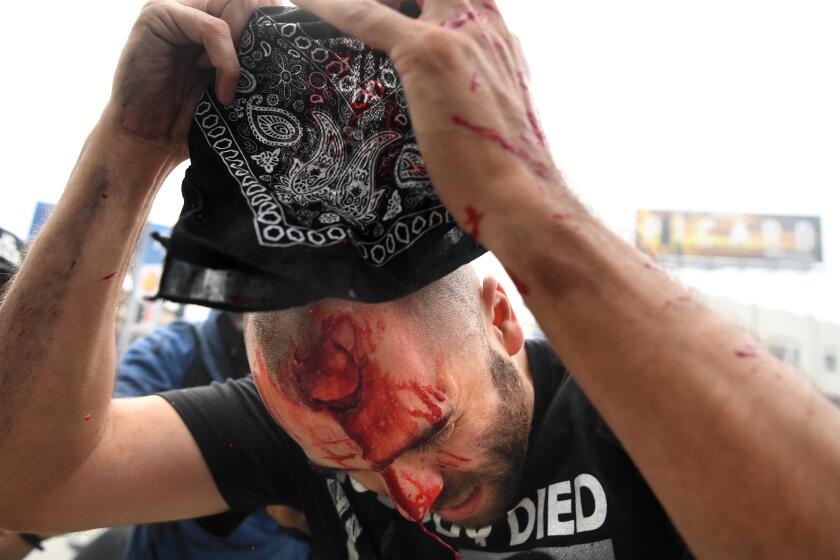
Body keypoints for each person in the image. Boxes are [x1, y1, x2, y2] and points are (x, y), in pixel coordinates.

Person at [1, 1, 839, 559]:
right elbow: (27, 478)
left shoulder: (631, 424)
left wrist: (522, 202)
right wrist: (130, 145)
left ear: (503, 319)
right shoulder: (311, 438)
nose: (408, 495)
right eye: (352, 470)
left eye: (431, 430)